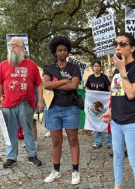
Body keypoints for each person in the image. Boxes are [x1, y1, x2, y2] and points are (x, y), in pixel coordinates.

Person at [100, 32, 135, 189]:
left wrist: (122, 71)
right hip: (116, 122)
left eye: (122, 44)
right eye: (115, 44)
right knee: (117, 158)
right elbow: (118, 95)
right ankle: (117, 186)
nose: (117, 47)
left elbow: (132, 94)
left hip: (133, 123)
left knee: (134, 161)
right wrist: (112, 112)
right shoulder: (115, 70)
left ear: (132, 48)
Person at [0, 38, 43, 168]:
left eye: (15, 46)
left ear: (22, 48)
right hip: (8, 104)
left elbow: (39, 84)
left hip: (25, 102)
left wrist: (40, 102)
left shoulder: (31, 65)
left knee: (28, 130)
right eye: (11, 46)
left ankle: (32, 155)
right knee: (10, 131)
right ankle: (11, 157)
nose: (12, 48)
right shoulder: (3, 65)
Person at [43, 36, 81, 185]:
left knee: (73, 141)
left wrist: (56, 84)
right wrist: (65, 80)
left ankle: (75, 171)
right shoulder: (49, 68)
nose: (62, 52)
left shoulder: (74, 68)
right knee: (56, 142)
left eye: (65, 50)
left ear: (68, 51)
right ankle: (56, 171)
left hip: (70, 108)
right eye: (59, 50)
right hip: (53, 109)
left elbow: (74, 86)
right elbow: (46, 85)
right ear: (55, 52)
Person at [85, 60, 112, 149]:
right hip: (94, 104)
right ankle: (97, 142)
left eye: (98, 66)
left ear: (100, 67)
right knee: (94, 122)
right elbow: (87, 87)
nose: (96, 68)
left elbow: (109, 88)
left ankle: (109, 143)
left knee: (105, 122)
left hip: (104, 104)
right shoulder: (90, 78)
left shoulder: (104, 77)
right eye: (95, 66)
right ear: (92, 68)